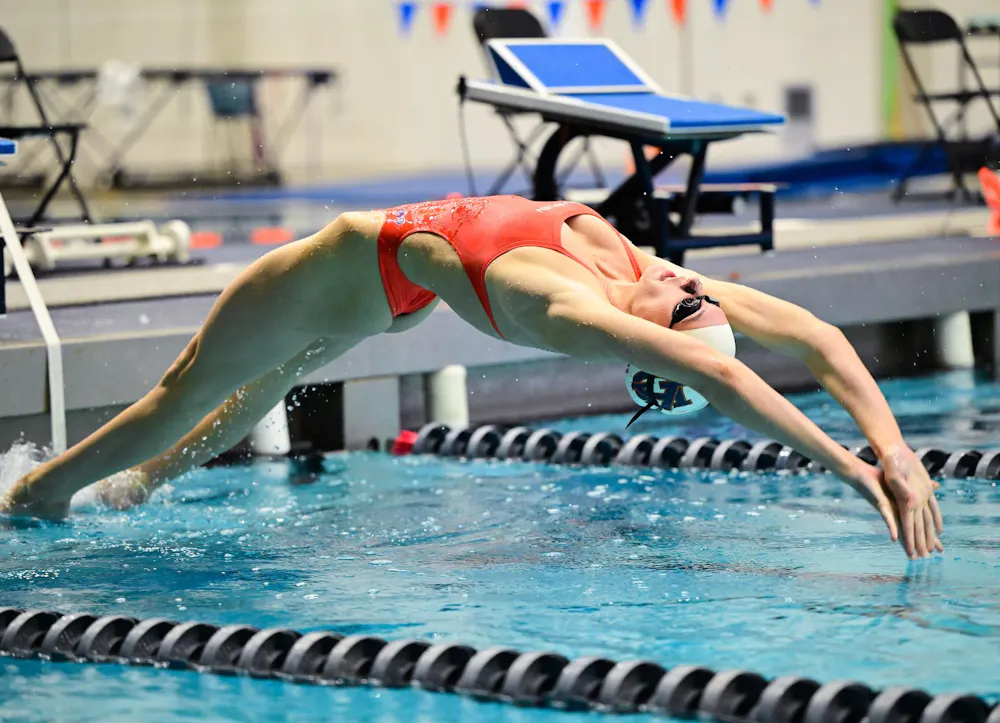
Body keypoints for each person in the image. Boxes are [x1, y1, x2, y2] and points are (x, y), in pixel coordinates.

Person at [0, 195, 942, 559]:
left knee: (198, 389)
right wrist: (891, 451)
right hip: (361, 283)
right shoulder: (650, 278)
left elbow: (739, 386)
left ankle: (35, 497)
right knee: (230, 393)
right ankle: (117, 487)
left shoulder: (568, 310)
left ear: (648, 345)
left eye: (687, 305)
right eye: (697, 290)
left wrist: (846, 474)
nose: (686, 280)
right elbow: (818, 336)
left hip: (350, 280)